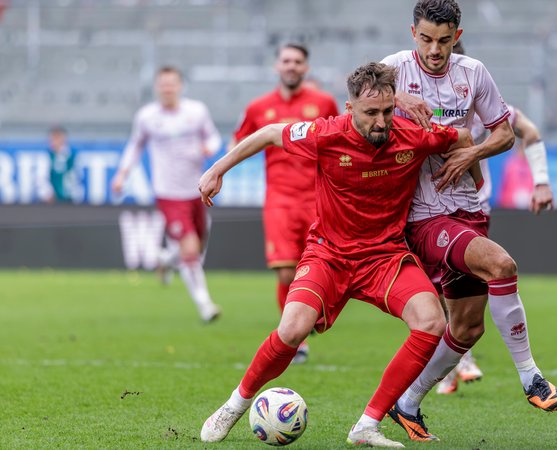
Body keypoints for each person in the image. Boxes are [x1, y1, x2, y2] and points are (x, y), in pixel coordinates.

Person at [198, 62, 476, 448]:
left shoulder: (413, 134)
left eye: (386, 112)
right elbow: (268, 133)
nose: (381, 122)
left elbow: (464, 136)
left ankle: (367, 424)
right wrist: (217, 170)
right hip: (329, 254)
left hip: (385, 257)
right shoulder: (325, 133)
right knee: (292, 329)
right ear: (350, 109)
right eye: (370, 113)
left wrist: (471, 167)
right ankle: (235, 404)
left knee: (431, 321)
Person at [381, 0, 557, 443]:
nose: (434, 50)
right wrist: (395, 96)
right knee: (501, 265)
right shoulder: (392, 70)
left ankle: (406, 403)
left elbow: (506, 131)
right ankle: (532, 379)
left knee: (467, 326)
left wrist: (473, 151)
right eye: (426, 39)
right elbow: (352, 102)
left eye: (443, 41)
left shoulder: (474, 73)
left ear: (456, 36)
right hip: (423, 214)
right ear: (413, 34)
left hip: (468, 208)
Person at [433, 41, 556, 395]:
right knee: (437, 291)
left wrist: (543, 182)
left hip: (472, 210)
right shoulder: (420, 104)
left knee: (453, 289)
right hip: (426, 211)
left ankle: (462, 358)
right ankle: (457, 361)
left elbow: (529, 132)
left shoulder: (490, 107)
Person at [229, 43, 339, 364]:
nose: (291, 66)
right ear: (277, 66)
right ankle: (297, 340)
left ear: (306, 68)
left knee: (324, 268)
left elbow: (343, 139)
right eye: (286, 60)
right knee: (285, 273)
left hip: (319, 198)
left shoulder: (323, 102)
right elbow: (239, 142)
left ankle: (310, 316)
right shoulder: (258, 107)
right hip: (279, 199)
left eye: (297, 61)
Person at [111, 66, 222, 323]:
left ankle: (164, 258)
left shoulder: (197, 112)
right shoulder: (147, 117)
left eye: (171, 84)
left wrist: (209, 147)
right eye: (163, 84)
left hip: (196, 190)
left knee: (197, 245)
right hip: (168, 193)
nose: (167, 88)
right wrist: (121, 174)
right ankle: (205, 304)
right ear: (157, 87)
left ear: (180, 86)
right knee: (191, 248)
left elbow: (214, 137)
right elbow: (135, 146)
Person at [46, 126, 78, 204]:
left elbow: (76, 177)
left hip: (70, 199)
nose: (55, 142)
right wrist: (47, 193)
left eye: (57, 138)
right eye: (53, 138)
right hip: (54, 200)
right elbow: (42, 178)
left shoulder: (71, 156)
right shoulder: (47, 157)